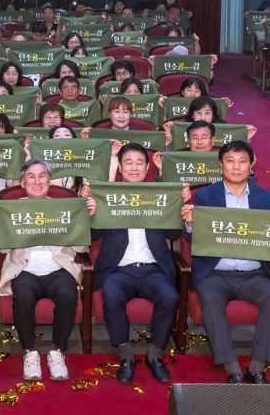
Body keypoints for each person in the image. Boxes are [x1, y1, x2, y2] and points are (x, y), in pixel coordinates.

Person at [181, 141, 270, 384]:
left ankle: (256, 367)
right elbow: (192, 237)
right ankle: (232, 368)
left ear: (252, 165)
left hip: (253, 274)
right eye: (230, 161)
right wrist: (189, 222)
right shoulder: (207, 196)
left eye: (242, 161)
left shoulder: (265, 197)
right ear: (221, 165)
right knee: (209, 298)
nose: (236, 167)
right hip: (215, 273)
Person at [87, 144, 188, 384]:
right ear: (120, 168)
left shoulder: (159, 196)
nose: (134, 167)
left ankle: (155, 353)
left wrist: (178, 207)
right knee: (111, 295)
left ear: (147, 167)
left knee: (170, 296)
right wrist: (91, 213)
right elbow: (93, 236)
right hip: (118, 270)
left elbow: (173, 236)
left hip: (154, 269)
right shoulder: (109, 196)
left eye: (139, 162)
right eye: (128, 163)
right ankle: (125, 354)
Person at [0, 159, 96, 381]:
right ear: (22, 182)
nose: (37, 181)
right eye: (31, 176)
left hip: (59, 268)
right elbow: (3, 248)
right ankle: (30, 352)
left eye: (42, 176)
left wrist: (84, 220)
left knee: (68, 295)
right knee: (23, 295)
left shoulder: (65, 208)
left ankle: (57, 351)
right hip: (25, 269)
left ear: (49, 180)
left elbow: (81, 248)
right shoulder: (12, 209)